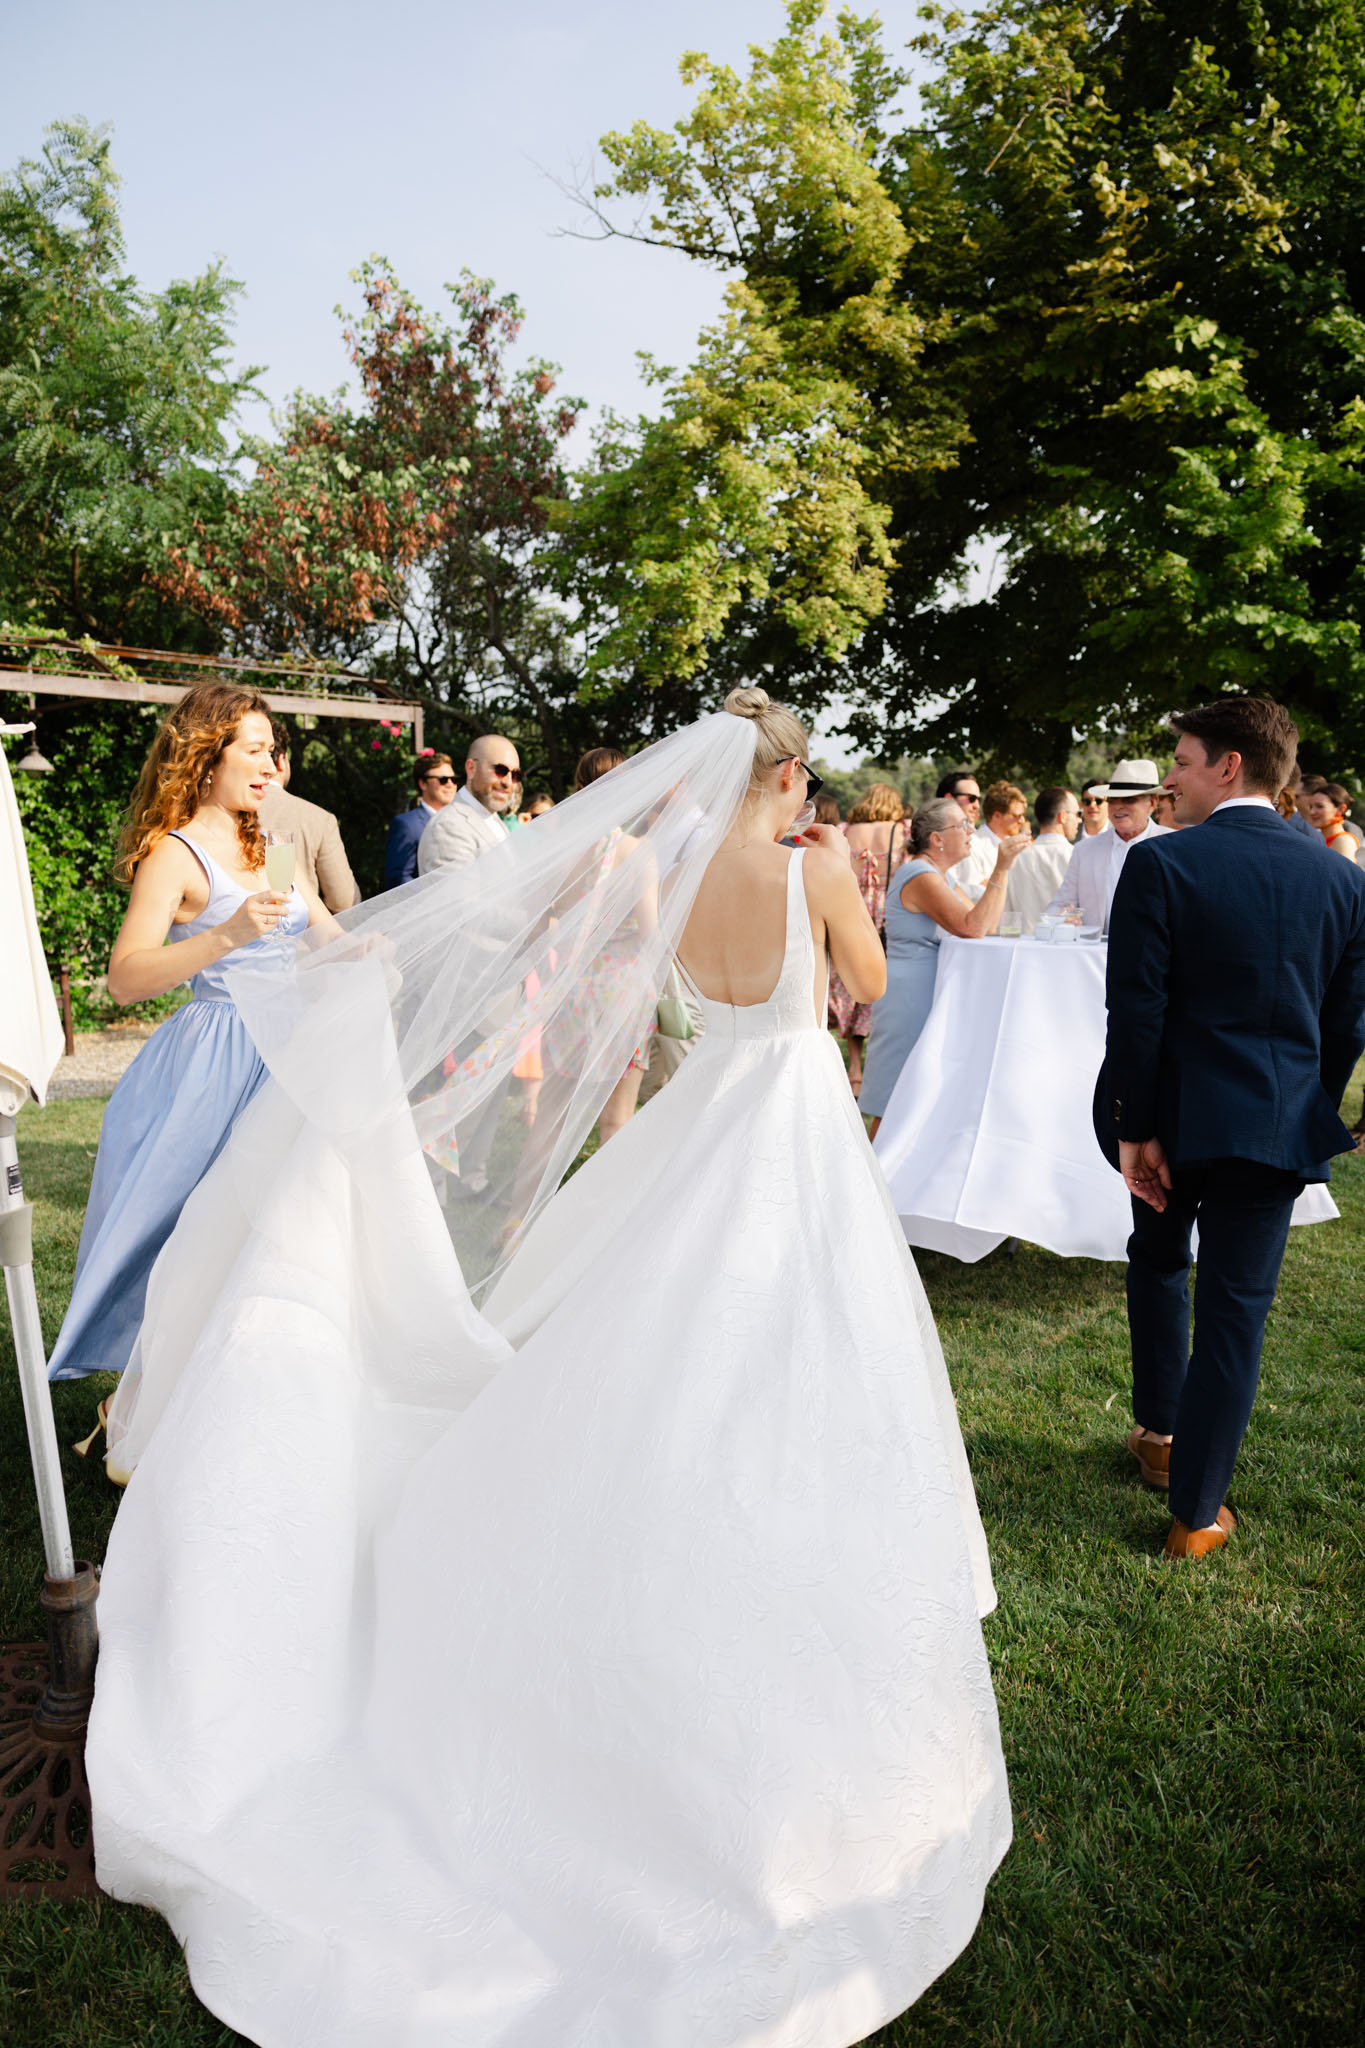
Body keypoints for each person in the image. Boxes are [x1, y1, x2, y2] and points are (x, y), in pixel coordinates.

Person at [87, 687, 1011, 2048]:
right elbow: (865, 989)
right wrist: (830, 911)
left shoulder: (686, 876)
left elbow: (662, 1003)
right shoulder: (810, 867)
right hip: (796, 1119)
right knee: (811, 1334)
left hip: (707, 1116)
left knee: (650, 1317)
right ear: (792, 774)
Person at [1097, 697, 1365, 1559]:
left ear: (1229, 766)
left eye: (1179, 760)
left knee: (1159, 1263)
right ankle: (1196, 1513)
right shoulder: (1344, 879)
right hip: (1273, 1124)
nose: (1166, 777)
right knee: (1235, 1314)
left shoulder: (1161, 863)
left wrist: (1132, 1127)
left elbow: (1135, 1012)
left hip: (1170, 1123)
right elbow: (1347, 1023)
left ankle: (1160, 1435)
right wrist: (1306, 1108)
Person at [46, 684, 321, 1389]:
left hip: (289, 1058)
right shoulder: (173, 854)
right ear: (207, 757)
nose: (273, 768)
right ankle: (142, 1395)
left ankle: (248, 1392)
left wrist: (378, 955)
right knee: (192, 1230)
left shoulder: (276, 846)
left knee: (283, 1232)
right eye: (256, 752)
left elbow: (317, 934)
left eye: (275, 754)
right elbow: (127, 978)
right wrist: (227, 934)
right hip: (216, 1059)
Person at [861, 795, 1032, 1136]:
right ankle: (866, 1178)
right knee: (894, 1101)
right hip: (908, 997)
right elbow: (972, 927)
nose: (972, 830)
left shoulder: (941, 877)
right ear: (937, 838)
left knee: (918, 1095)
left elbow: (987, 924)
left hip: (927, 992)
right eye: (963, 825)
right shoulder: (918, 875)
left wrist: (1005, 869)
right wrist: (1000, 867)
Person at [828, 781, 906, 1096]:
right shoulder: (901, 831)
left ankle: (855, 1070)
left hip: (852, 912)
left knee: (851, 988)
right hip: (886, 917)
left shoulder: (846, 830)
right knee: (881, 989)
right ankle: (878, 1067)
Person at [1044, 759, 1171, 931]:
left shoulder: (1173, 846)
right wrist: (1062, 920)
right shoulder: (1084, 850)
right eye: (1112, 800)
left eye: (1128, 800)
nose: (1118, 807)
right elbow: (1060, 906)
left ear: (1153, 803)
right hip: (1098, 955)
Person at [257, 720, 360, 910]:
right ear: (281, 761)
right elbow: (343, 900)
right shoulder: (318, 819)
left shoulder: (218, 812)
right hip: (305, 936)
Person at [418, 734, 522, 872]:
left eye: (515, 775)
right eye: (500, 770)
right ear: (471, 768)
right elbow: (457, 893)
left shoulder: (495, 820)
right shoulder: (448, 827)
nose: (508, 782)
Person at [1005, 785, 1080, 932]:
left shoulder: (1015, 859)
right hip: (1066, 948)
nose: (1079, 820)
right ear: (1062, 816)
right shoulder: (1076, 857)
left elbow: (1007, 914)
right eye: (1077, 814)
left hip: (1023, 947)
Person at [384, 750, 457, 887]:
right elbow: (398, 880)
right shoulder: (406, 825)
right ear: (423, 784)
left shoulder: (460, 822)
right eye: (443, 780)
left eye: (454, 779)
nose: (450, 784)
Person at [1306, 781, 1360, 859]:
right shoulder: (1321, 839)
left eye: (1320, 806)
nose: (1312, 812)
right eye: (1311, 807)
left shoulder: (1343, 841)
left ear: (1341, 809)